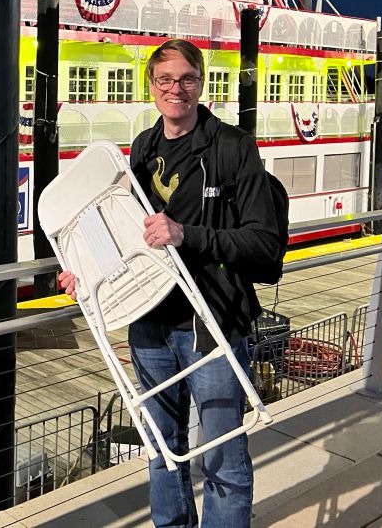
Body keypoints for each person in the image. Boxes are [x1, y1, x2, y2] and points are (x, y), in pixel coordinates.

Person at [58, 38, 280, 528]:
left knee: (222, 457)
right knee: (161, 451)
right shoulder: (142, 148)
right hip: (149, 324)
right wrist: (84, 271)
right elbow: (117, 232)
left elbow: (263, 243)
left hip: (212, 322)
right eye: (165, 80)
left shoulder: (233, 147)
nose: (176, 89)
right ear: (152, 87)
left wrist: (186, 234)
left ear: (201, 85)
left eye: (186, 79)